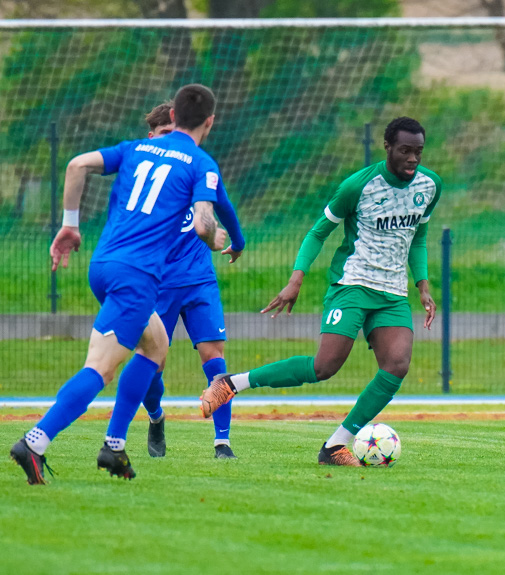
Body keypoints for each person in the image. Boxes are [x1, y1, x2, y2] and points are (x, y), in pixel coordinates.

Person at [9, 84, 226, 484]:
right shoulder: (199, 162)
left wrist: (70, 226)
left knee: (156, 344)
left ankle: (114, 446)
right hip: (137, 277)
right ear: (209, 122)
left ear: (173, 117)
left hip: (104, 264)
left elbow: (76, 166)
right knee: (100, 368)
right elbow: (202, 224)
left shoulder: (131, 149)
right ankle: (35, 441)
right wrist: (219, 239)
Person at [200, 116, 441, 466]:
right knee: (324, 366)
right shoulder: (357, 186)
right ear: (387, 147)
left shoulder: (430, 185)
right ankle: (231, 383)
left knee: (397, 365)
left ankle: (335, 447)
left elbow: (417, 238)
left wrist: (423, 285)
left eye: (418, 152)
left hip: (392, 293)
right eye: (405, 150)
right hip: (352, 284)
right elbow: (317, 233)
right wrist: (295, 280)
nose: (413, 159)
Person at [139, 101, 246, 460]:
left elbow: (224, 203)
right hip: (158, 284)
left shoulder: (199, 169)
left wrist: (239, 239)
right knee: (151, 365)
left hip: (200, 280)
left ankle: (223, 442)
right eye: (166, 136)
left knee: (214, 358)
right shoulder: (145, 178)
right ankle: (156, 416)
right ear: (152, 137)